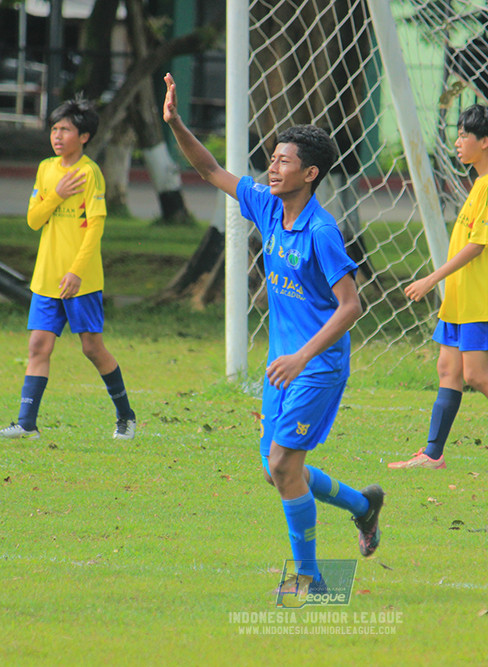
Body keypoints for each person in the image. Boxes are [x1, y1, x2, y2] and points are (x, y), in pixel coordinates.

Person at [162, 73, 384, 596]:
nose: (272, 167)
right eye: (272, 159)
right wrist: (175, 123)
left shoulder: (324, 232)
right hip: (282, 367)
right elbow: (211, 168)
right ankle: (361, 504)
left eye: (283, 162)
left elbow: (353, 306)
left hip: (317, 366)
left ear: (310, 173)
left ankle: (310, 578)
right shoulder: (266, 204)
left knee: (285, 465)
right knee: (276, 472)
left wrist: (304, 356)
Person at [388, 105, 488, 473]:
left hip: (481, 297)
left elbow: (478, 246)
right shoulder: (480, 183)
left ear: (485, 141)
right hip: (461, 299)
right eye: (458, 134)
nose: (458, 143)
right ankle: (432, 455)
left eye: (465, 135)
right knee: (448, 368)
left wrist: (432, 278)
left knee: (476, 374)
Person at [0, 97, 136, 441]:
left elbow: (95, 226)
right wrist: (56, 193)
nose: (57, 135)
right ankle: (26, 424)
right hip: (47, 277)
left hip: (80, 278)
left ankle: (126, 416)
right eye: (54, 129)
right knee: (38, 345)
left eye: (65, 129)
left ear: (83, 136)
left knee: (92, 348)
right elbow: (34, 219)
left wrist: (77, 271)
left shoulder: (90, 172)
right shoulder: (46, 169)